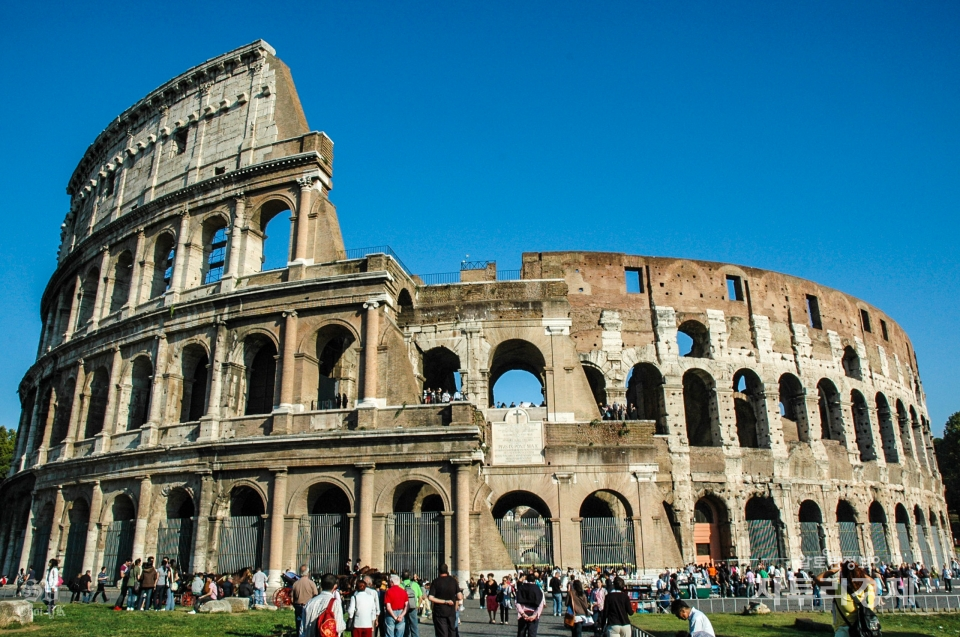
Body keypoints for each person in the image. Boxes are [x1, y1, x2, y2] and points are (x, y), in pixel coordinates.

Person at [814, 561, 876, 637]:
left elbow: (818, 579)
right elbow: (873, 582)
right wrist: (855, 569)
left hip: (844, 631)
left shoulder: (839, 589)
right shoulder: (868, 588)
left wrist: (834, 570)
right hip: (864, 630)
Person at [302, 573, 346, 637]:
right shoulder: (335, 603)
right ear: (335, 586)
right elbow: (339, 627)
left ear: (321, 585)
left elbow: (302, 628)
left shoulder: (310, 602)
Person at [427, 563, 460, 637]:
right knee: (452, 631)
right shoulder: (453, 581)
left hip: (440, 612)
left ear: (439, 571)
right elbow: (460, 596)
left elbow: (430, 597)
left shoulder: (436, 581)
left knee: (442, 633)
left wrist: (445, 601)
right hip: (451, 611)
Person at [516, 571, 545, 637]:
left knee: (521, 633)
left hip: (523, 613)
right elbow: (541, 604)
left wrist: (522, 613)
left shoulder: (521, 588)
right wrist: (535, 615)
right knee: (532, 634)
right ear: (534, 580)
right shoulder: (538, 589)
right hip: (533, 613)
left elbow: (517, 602)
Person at [292, 565, 319, 637]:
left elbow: (292, 598)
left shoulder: (295, 584)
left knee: (299, 625)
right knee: (308, 625)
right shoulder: (311, 583)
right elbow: (316, 595)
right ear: (308, 573)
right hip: (308, 606)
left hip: (298, 607)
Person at [401, 569, 423, 637]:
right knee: (414, 627)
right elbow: (420, 597)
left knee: (405, 626)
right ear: (410, 576)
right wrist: (418, 606)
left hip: (403, 608)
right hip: (413, 607)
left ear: (402, 577)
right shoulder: (415, 584)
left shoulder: (400, 585)